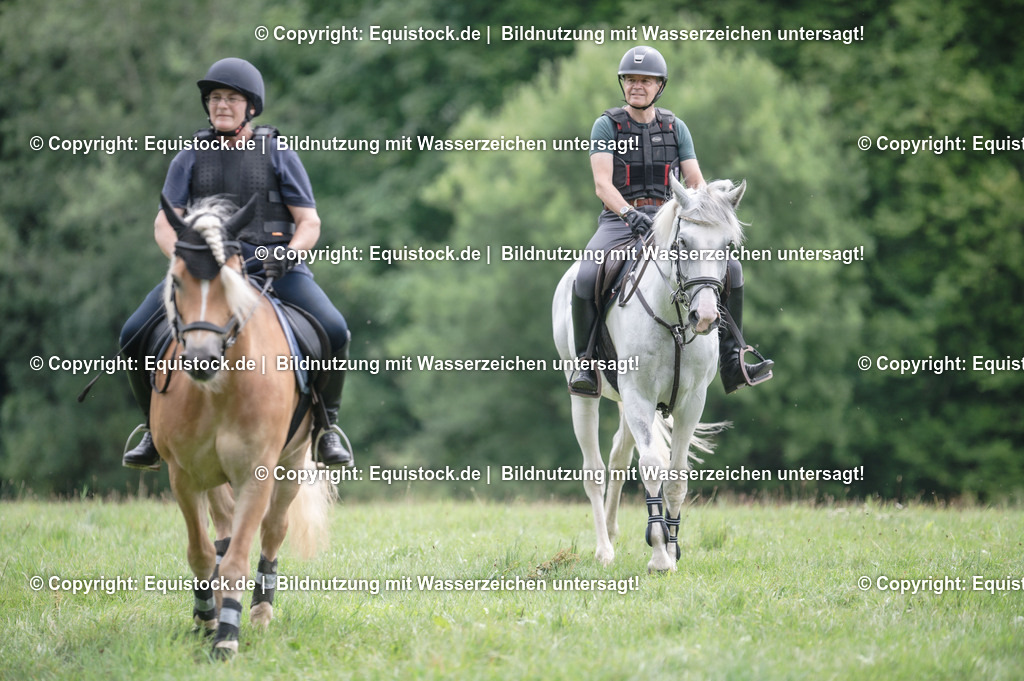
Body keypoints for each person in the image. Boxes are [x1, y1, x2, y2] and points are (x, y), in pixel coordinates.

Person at [121, 57, 352, 469]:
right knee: (133, 332)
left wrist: (289, 255)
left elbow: (309, 222)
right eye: (214, 98)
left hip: (272, 270)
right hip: (206, 276)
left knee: (335, 329)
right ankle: (153, 433)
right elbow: (163, 224)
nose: (221, 105)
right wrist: (187, 262)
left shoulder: (279, 154)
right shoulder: (188, 157)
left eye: (231, 97)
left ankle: (325, 428)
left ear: (251, 107)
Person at [569, 45, 773, 396]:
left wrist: (705, 208)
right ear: (623, 84)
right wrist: (630, 214)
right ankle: (586, 363)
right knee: (587, 273)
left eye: (645, 81)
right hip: (619, 219)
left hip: (671, 218)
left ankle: (732, 358)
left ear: (659, 86)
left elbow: (695, 181)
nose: (637, 86)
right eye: (631, 80)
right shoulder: (606, 125)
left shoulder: (676, 127)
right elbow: (602, 183)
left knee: (733, 269)